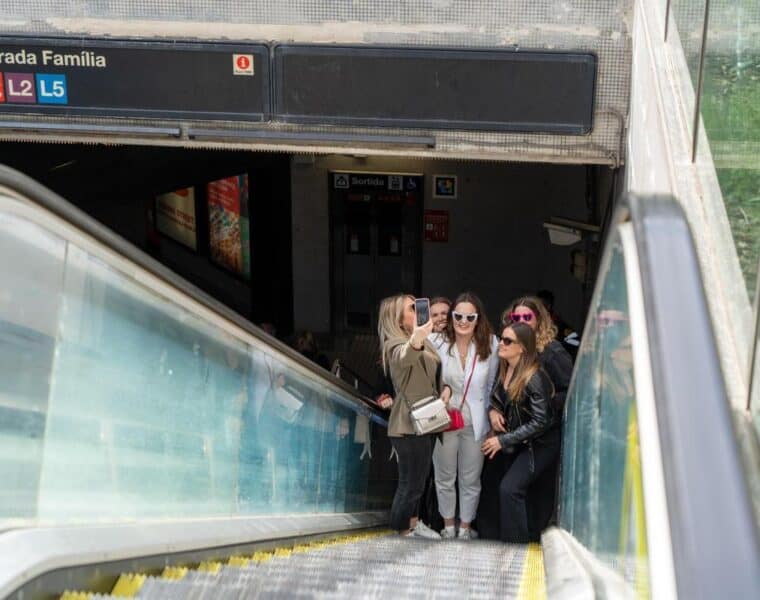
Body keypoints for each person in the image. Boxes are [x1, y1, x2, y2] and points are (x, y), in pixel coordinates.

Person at [378, 294, 452, 538]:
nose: (421, 310)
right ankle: (399, 534)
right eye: (413, 308)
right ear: (399, 319)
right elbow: (406, 356)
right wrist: (419, 335)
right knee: (410, 485)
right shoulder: (395, 344)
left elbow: (431, 372)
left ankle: (411, 524)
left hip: (426, 420)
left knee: (417, 484)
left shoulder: (422, 341)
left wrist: (445, 390)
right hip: (408, 424)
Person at [480, 322, 560, 543]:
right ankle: (511, 539)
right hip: (520, 441)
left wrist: (502, 441)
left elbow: (541, 421)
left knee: (510, 489)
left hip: (540, 444)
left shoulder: (534, 377)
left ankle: (516, 545)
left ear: (523, 347)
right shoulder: (506, 369)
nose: (501, 344)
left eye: (508, 341)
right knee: (502, 487)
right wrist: (493, 412)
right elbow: (498, 400)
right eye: (501, 338)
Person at [501, 296, 573, 532]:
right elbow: (500, 390)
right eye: (516, 317)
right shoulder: (511, 351)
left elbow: (571, 389)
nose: (521, 321)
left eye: (527, 317)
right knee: (517, 491)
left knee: (536, 493)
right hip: (520, 435)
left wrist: (545, 402)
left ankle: (529, 545)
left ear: (539, 320)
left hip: (543, 435)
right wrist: (494, 411)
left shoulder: (551, 351)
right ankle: (524, 544)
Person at [431, 292, 498, 539]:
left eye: (470, 316)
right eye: (458, 315)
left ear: (478, 319)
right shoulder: (436, 342)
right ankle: (448, 526)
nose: (463, 321)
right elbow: (429, 379)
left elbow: (491, 385)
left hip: (475, 422)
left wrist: (491, 419)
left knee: (470, 478)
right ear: (452, 317)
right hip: (445, 419)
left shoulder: (490, 344)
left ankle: (465, 528)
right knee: (444, 475)